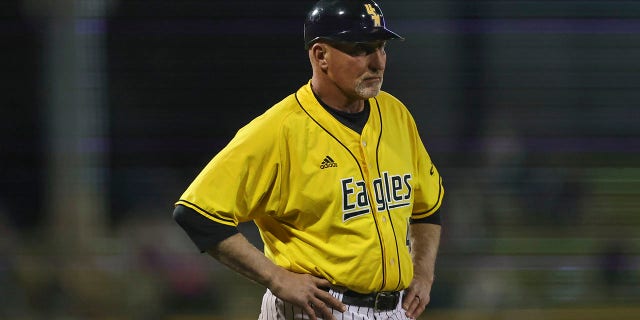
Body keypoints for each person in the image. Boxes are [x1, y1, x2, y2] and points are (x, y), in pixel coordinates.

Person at [173, 0, 444, 319]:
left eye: (381, 47)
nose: (377, 62)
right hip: (316, 309)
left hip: (394, 310)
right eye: (360, 48)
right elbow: (196, 212)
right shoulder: (279, 129)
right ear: (320, 55)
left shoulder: (396, 114)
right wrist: (276, 278)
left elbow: (427, 206)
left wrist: (423, 272)